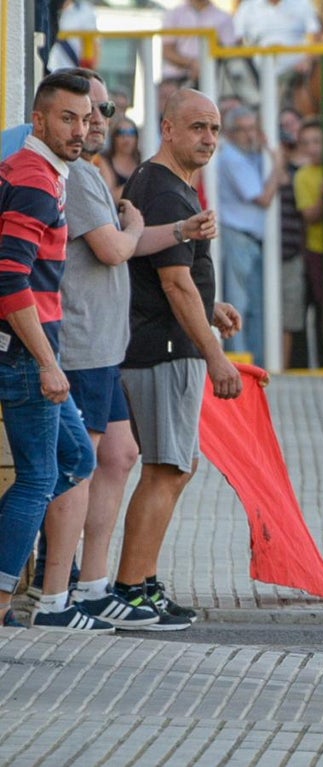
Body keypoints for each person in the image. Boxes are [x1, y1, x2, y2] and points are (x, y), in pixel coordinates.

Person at [40, 68, 218, 632]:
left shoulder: (96, 174)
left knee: (119, 457)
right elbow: (122, 253)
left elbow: (138, 252)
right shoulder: (86, 177)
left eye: (102, 112)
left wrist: (180, 235)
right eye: (80, 114)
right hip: (89, 344)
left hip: (109, 346)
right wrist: (215, 354)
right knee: (86, 468)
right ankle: (65, 593)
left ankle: (98, 587)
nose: (94, 122)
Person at [114, 88, 244, 630]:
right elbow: (172, 284)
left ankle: (142, 583)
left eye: (214, 129)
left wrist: (210, 309)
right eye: (197, 127)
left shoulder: (173, 187)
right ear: (167, 129)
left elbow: (176, 279)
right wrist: (217, 358)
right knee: (166, 467)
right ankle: (130, 590)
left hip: (169, 345)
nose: (209, 138)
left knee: (176, 466)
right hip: (161, 351)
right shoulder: (164, 191)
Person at [0, 71, 97, 630]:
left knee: (77, 459)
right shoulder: (35, 179)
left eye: (85, 119)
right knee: (38, 478)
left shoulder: (32, 169)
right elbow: (10, 278)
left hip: (26, 349)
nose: (79, 130)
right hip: (24, 353)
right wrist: (46, 362)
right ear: (38, 121)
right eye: (67, 118)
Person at [217, 106, 284, 366]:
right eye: (242, 130)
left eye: (252, 129)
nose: (249, 135)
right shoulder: (232, 158)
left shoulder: (251, 156)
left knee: (257, 305)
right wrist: (278, 163)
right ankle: (240, 360)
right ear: (230, 133)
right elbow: (264, 198)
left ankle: (256, 360)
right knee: (239, 303)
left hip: (252, 238)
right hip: (237, 236)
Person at [232, 0, 319, 104]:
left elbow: (316, 36)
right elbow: (236, 39)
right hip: (257, 72)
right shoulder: (247, 6)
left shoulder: (302, 3)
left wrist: (307, 60)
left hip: (296, 71)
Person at [293, 118, 323, 367]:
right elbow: (309, 215)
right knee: (321, 309)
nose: (312, 148)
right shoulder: (303, 176)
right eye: (306, 143)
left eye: (317, 141)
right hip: (317, 249)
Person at [279, 108, 309, 368]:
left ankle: (289, 365)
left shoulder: (306, 170)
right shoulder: (276, 167)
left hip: (297, 251)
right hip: (277, 252)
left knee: (293, 315)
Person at [161, 0, 238, 87]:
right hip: (175, 78)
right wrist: (192, 64)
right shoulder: (173, 14)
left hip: (212, 78)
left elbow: (228, 53)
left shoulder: (224, 18)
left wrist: (204, 67)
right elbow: (167, 51)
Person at [100, 117, 141, 201]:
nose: (126, 138)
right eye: (121, 133)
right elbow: (108, 197)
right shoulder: (105, 162)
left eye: (131, 133)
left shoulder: (140, 162)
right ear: (114, 138)